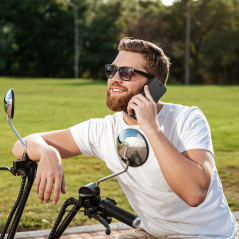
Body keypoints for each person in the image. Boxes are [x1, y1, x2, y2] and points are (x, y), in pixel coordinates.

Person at [12, 37, 237, 239]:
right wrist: (48, 152)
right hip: (153, 233)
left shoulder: (187, 119)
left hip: (207, 234)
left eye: (126, 72)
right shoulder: (103, 129)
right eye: (112, 70)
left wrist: (151, 128)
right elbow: (21, 144)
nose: (115, 79)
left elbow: (194, 193)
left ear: (155, 85)